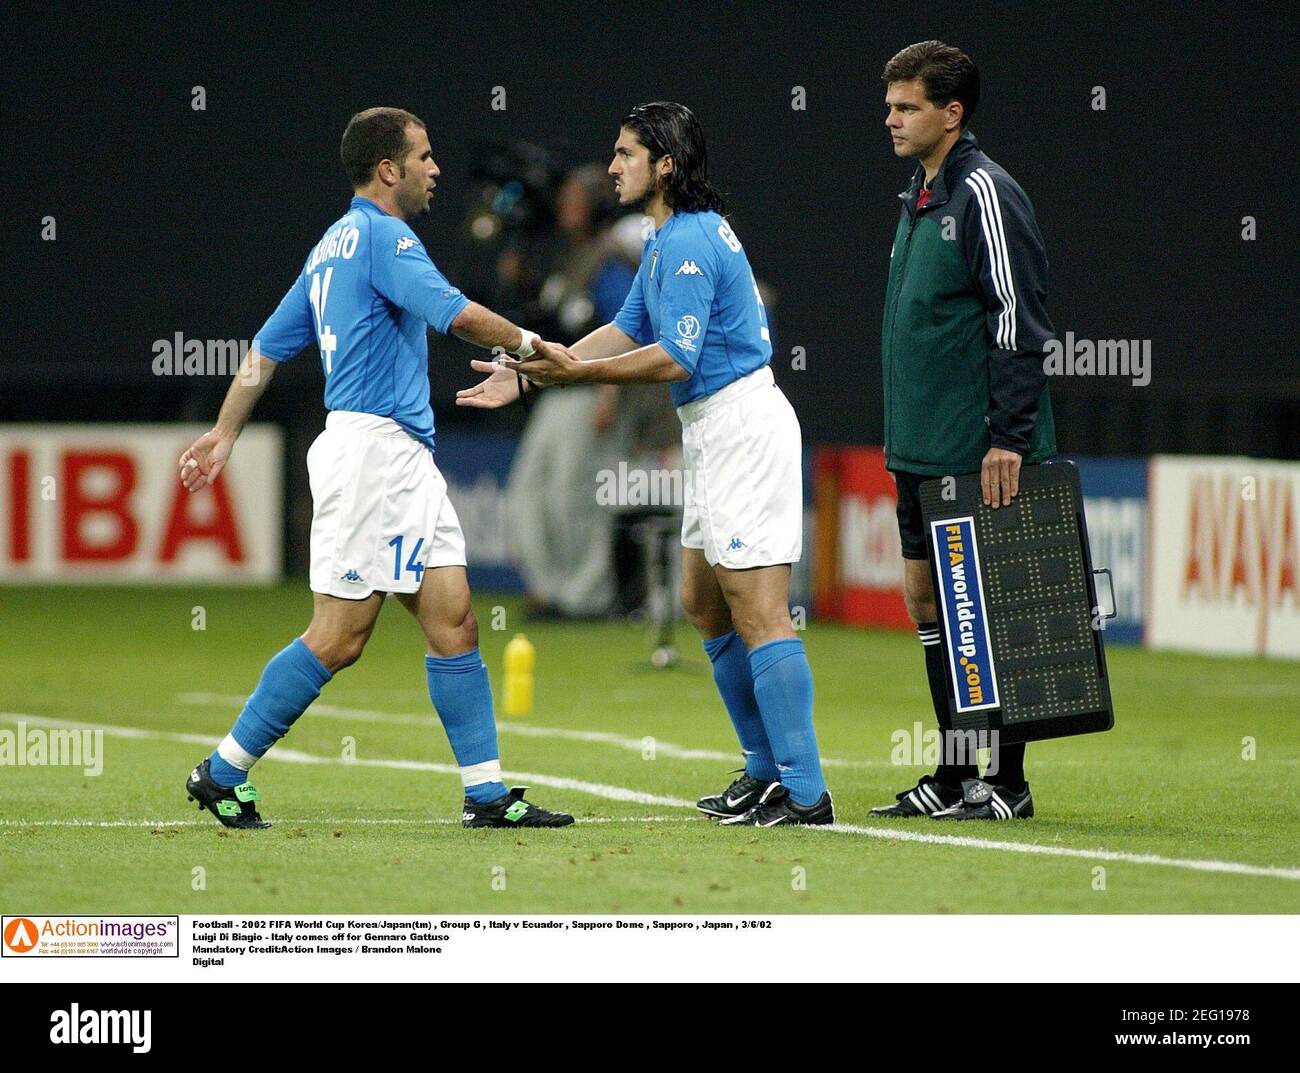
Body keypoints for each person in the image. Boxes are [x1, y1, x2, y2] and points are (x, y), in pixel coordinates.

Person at [177, 106, 573, 830]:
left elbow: (265, 348)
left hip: (401, 458)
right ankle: (223, 768)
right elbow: (453, 313)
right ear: (387, 169)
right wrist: (531, 344)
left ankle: (486, 794)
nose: (435, 169)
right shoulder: (386, 237)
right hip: (372, 456)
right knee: (339, 635)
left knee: (454, 621)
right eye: (423, 156)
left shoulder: (331, 246)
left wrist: (225, 430)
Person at [457, 102, 831, 827]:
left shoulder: (688, 240)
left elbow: (674, 357)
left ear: (666, 164)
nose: (613, 166)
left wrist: (578, 377)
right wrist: (533, 369)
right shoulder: (664, 238)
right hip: (713, 432)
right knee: (701, 600)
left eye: (626, 153)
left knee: (759, 610)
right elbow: (628, 328)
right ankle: (763, 771)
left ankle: (807, 789)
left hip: (743, 428)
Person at [869, 42, 1057, 821]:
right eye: (889, 106)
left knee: (998, 610)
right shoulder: (919, 194)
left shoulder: (985, 192)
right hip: (917, 446)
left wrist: (1008, 436)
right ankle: (952, 774)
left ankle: (1006, 782)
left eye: (907, 106)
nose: (891, 119)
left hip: (979, 450)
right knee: (926, 603)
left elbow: (1018, 319)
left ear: (952, 114)